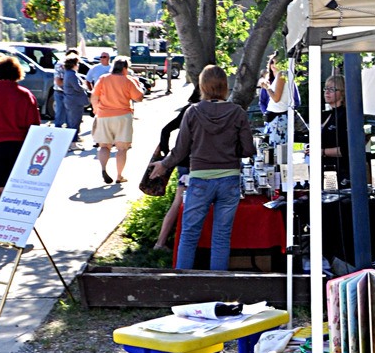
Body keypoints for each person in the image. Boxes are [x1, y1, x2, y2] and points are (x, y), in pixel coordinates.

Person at [150, 64, 255, 270]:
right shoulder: (238, 112)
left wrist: (163, 164)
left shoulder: (192, 112)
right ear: (225, 86)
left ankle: (184, 285)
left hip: (200, 178)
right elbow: (248, 150)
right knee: (221, 237)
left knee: (189, 234)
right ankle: (218, 286)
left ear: (202, 87)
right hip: (229, 179)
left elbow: (180, 151)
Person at [152, 87, 201, 250]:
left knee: (179, 201)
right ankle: (165, 243)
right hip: (192, 164)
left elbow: (166, 130)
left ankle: (161, 242)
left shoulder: (189, 109)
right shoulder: (197, 110)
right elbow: (165, 130)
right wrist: (167, 156)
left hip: (185, 162)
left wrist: (168, 156)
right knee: (183, 202)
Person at [0, 54, 41, 210]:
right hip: (19, 146)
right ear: (17, 73)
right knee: (15, 188)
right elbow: (34, 125)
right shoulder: (25, 94)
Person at [90, 56, 145, 184]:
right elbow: (139, 98)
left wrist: (96, 109)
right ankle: (119, 176)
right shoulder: (128, 81)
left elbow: (94, 96)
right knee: (122, 148)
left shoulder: (103, 79)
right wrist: (139, 86)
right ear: (125, 68)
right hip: (123, 116)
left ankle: (103, 169)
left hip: (104, 115)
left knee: (104, 146)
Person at [321, 73, 349, 181]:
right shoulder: (329, 114)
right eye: (326, 89)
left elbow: (346, 149)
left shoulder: (346, 115)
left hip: (340, 170)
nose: (327, 92)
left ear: (342, 92)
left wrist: (322, 152)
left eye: (332, 89)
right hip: (326, 169)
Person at [62, 56, 90, 148]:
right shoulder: (72, 74)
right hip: (74, 102)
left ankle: (72, 141)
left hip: (71, 101)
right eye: (77, 64)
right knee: (75, 122)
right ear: (74, 65)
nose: (78, 65)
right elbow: (77, 87)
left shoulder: (68, 73)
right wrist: (84, 86)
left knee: (72, 122)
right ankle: (72, 143)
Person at [53, 49, 78, 127]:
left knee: (70, 116)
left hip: (70, 93)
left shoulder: (74, 65)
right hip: (61, 92)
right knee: (60, 114)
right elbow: (58, 81)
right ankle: (57, 133)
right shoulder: (60, 64)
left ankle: (70, 134)